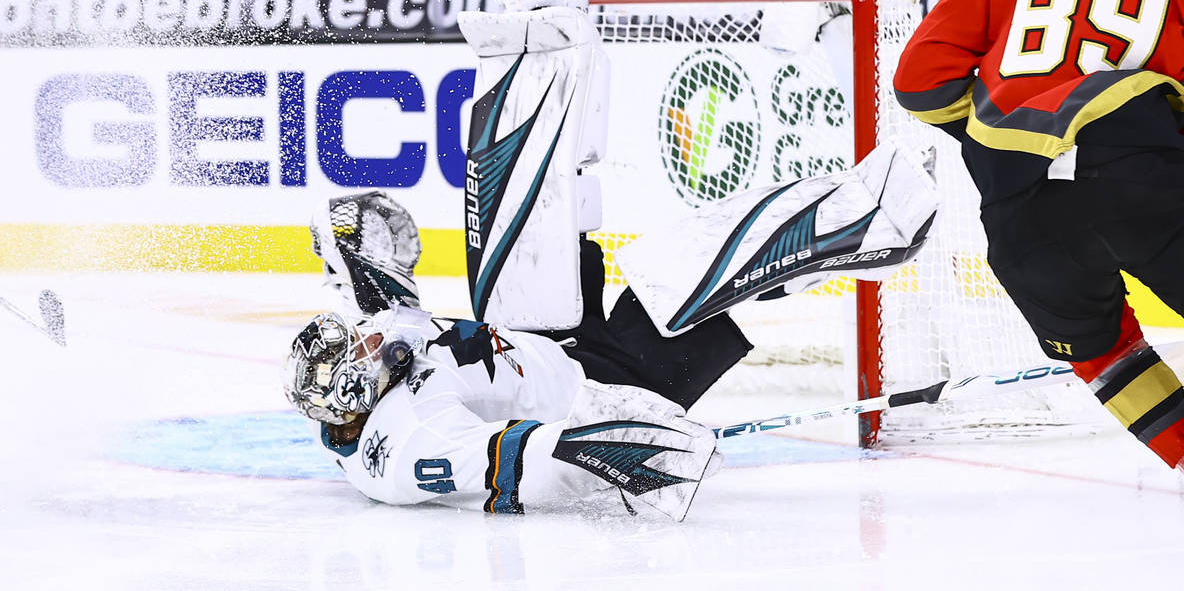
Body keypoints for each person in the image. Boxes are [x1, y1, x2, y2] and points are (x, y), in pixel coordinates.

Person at [283, 140, 936, 520]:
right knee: (685, 266)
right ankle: (876, 226)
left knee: (530, 210)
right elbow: (514, 467)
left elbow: (360, 253)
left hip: (548, 337)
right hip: (606, 384)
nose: (368, 340)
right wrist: (625, 451)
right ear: (354, 396)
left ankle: (551, 51)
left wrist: (344, 227)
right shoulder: (401, 446)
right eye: (360, 353)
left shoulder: (366, 362)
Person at [893, 0, 1184, 472]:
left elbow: (917, 83)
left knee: (1104, 352)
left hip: (1021, 210)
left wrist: (994, 134)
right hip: (1144, 182)